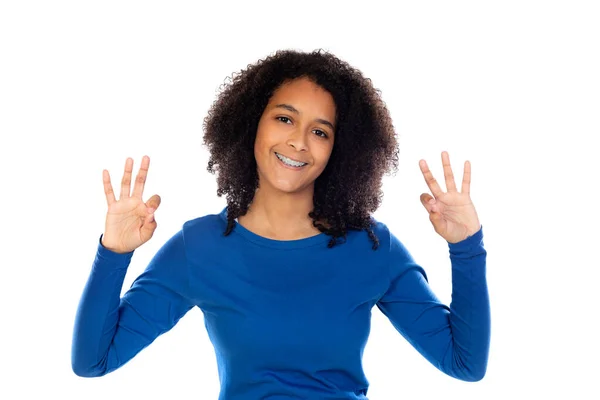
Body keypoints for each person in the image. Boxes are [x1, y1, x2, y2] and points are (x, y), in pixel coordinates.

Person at [71, 49, 490, 399]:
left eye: (321, 131)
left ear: (338, 150)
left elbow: (465, 364)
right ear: (251, 122)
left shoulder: (371, 248)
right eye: (285, 119)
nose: (299, 142)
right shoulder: (198, 248)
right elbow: (93, 361)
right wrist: (114, 253)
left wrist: (467, 246)